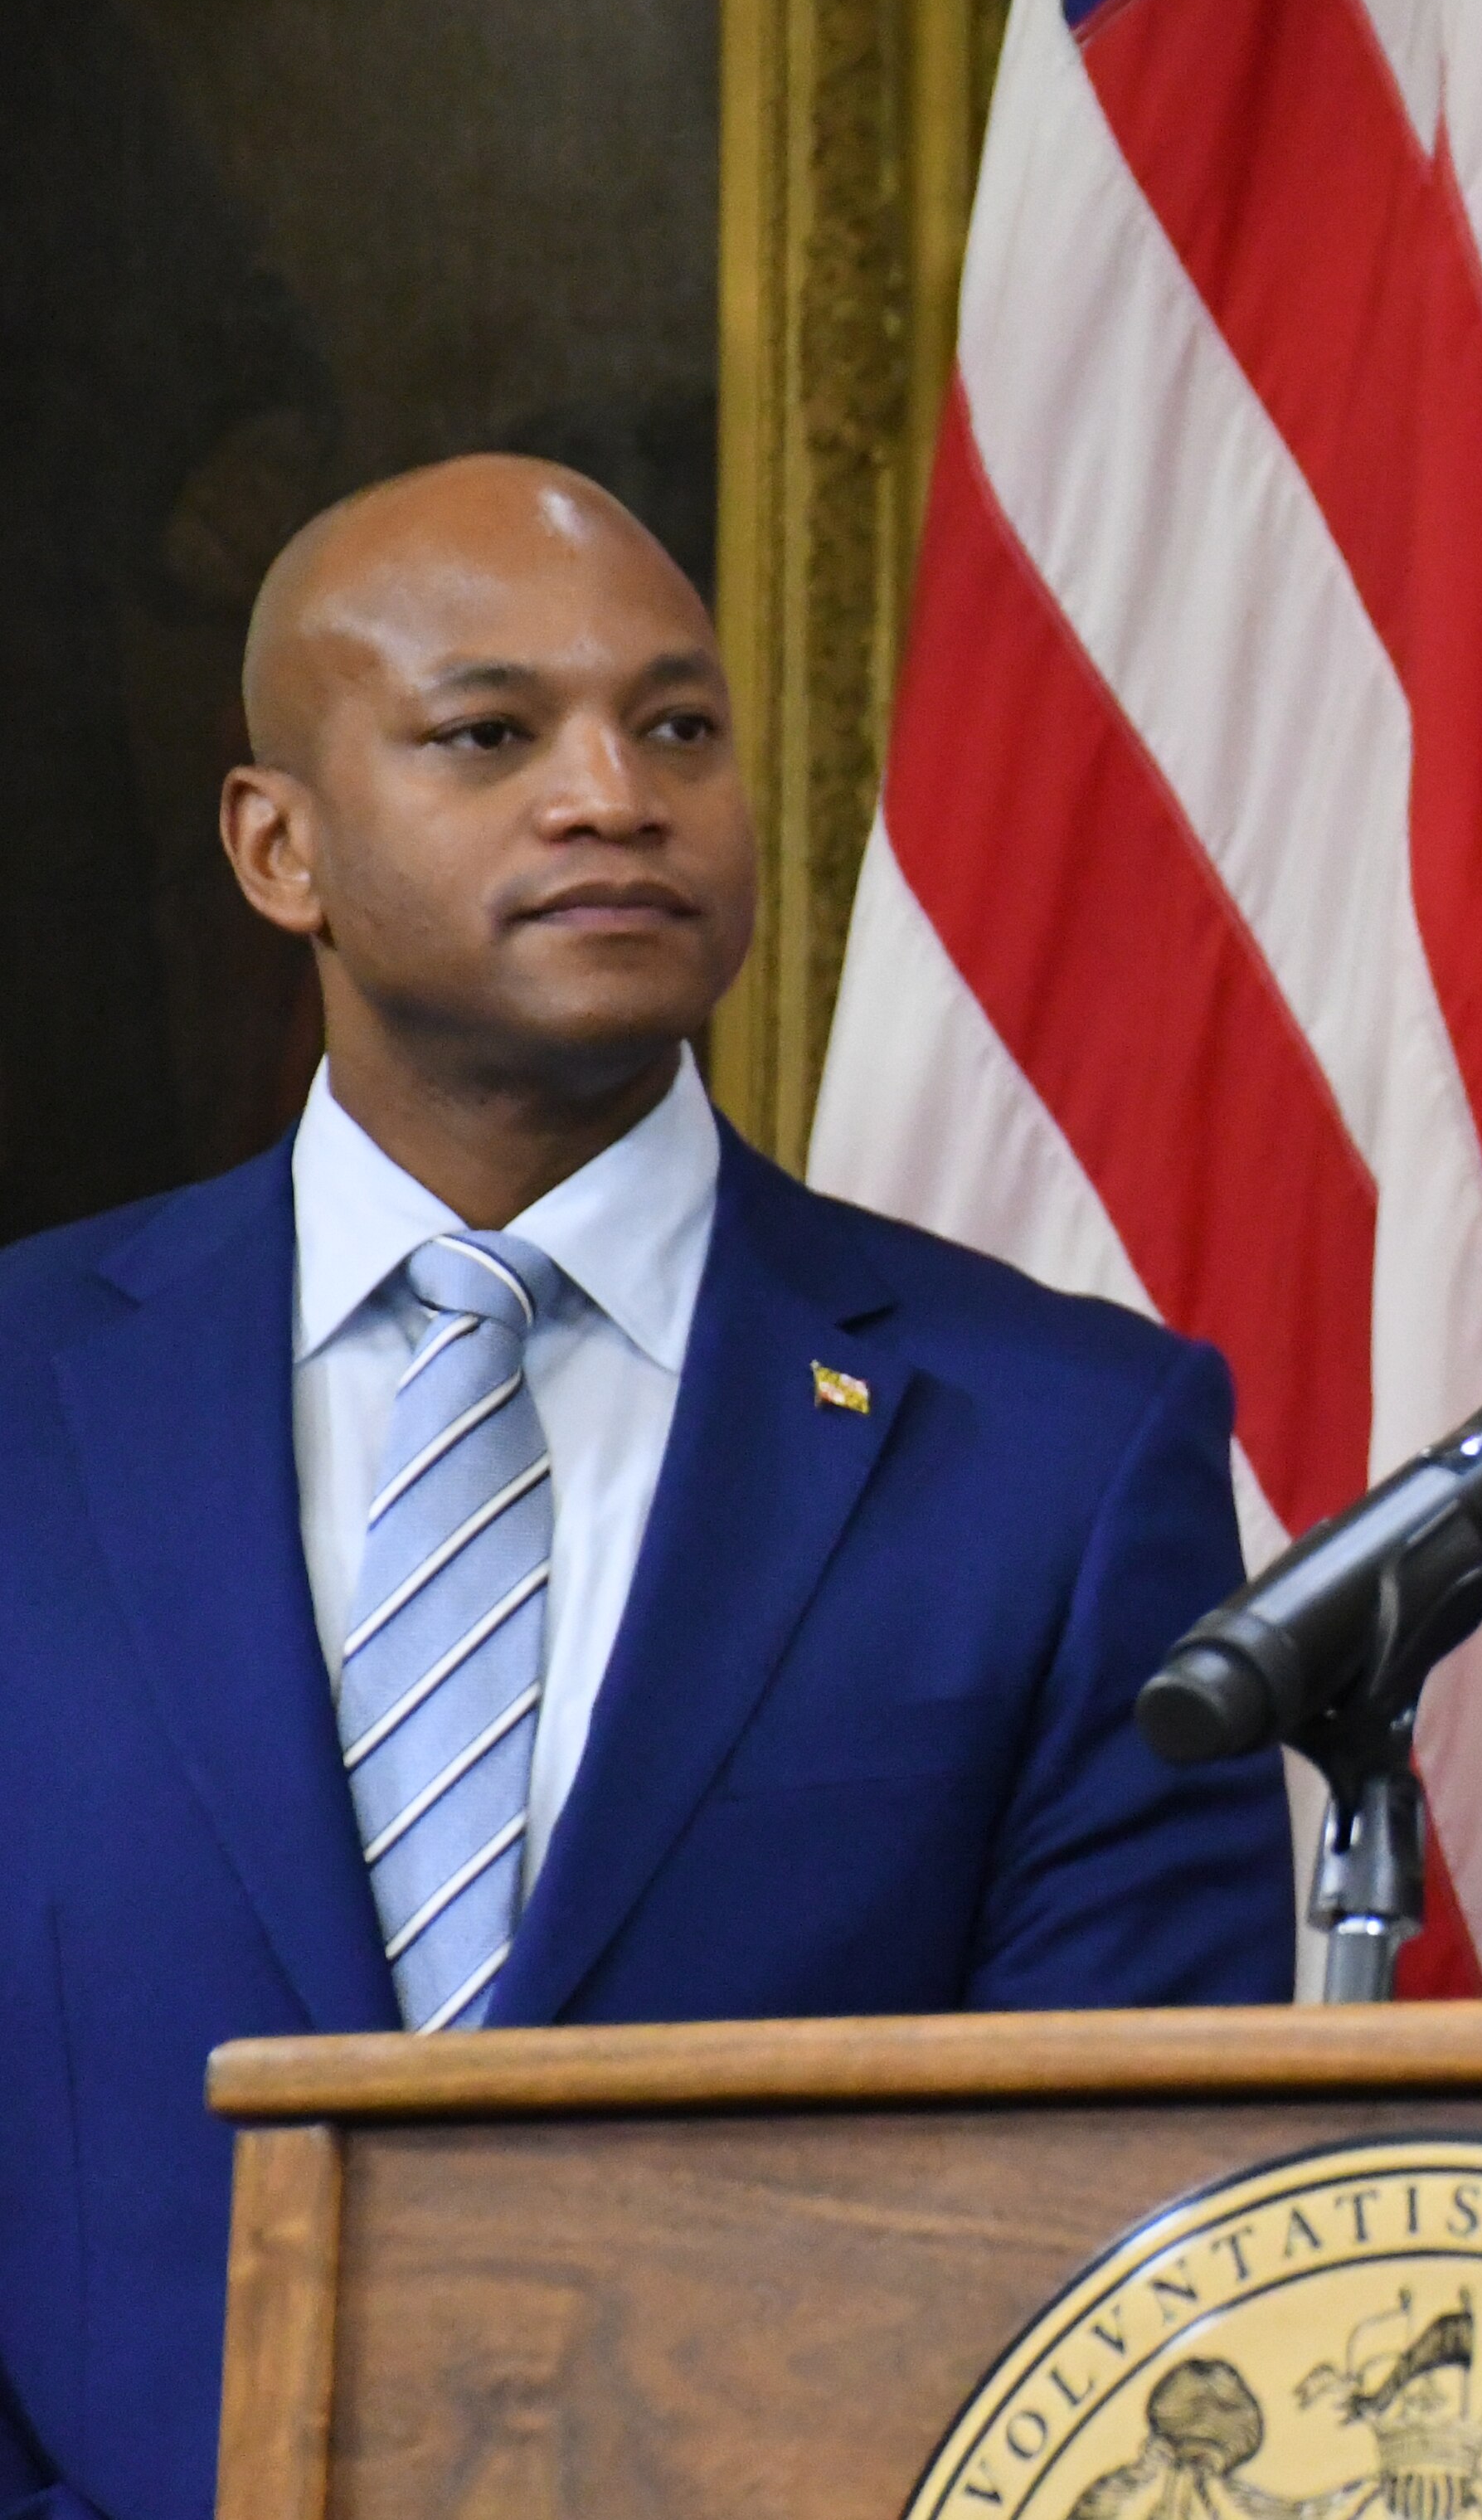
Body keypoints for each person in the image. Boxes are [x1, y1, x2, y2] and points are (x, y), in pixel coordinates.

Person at [0, 456, 1295, 2520]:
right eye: (490, 733)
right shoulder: (28, 1410)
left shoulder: (1063, 1449)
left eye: (677, 726)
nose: (613, 794)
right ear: (278, 845)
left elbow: (1115, 2247)